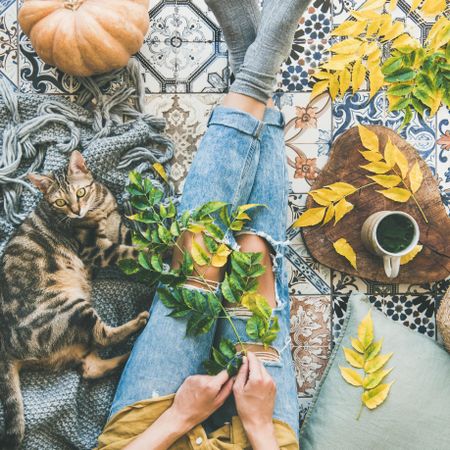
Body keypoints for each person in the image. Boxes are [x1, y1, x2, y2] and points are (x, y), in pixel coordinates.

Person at [96, 0, 311, 448]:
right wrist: (255, 425)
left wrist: (178, 417)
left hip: (151, 434)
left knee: (201, 258)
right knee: (256, 258)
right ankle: (253, 67)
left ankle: (254, 68)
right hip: (257, 441)